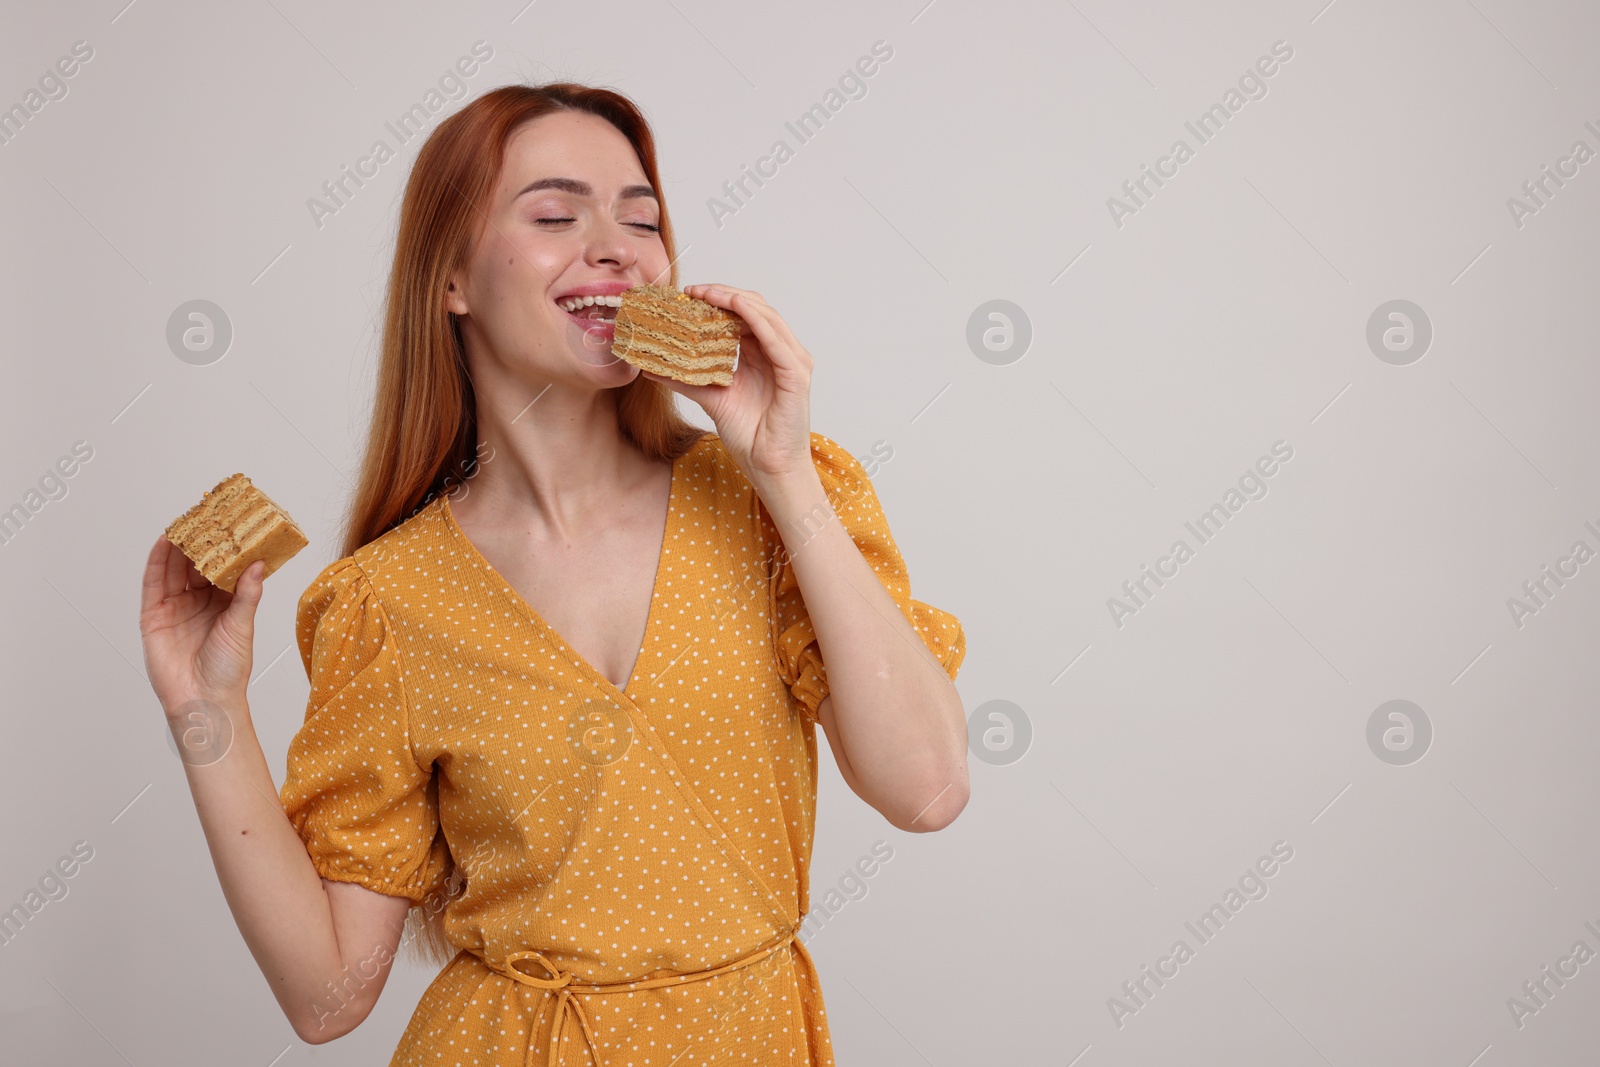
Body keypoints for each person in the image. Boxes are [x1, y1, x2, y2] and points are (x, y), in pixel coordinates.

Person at [138, 81, 969, 1066]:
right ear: (451, 278)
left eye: (642, 217)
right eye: (555, 213)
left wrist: (779, 470)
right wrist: (208, 706)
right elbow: (327, 997)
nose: (619, 244)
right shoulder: (385, 601)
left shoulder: (773, 500)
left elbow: (926, 788)